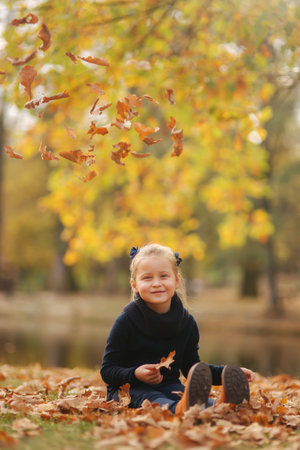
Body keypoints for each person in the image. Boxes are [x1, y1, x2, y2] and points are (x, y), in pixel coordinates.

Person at [100, 243, 255, 415]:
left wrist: (227, 373)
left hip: (169, 386)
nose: (156, 283)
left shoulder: (186, 323)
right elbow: (108, 370)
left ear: (177, 281)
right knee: (155, 400)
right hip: (128, 390)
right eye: (147, 278)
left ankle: (223, 405)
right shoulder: (126, 322)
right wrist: (135, 373)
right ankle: (179, 410)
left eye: (164, 276)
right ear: (134, 285)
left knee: (186, 397)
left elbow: (192, 369)